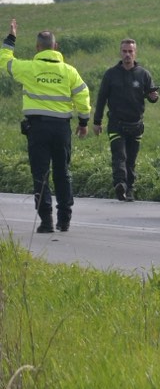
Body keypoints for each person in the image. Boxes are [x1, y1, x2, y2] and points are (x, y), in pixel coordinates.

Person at [1, 18, 91, 233]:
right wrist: (84, 122)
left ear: (37, 48)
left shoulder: (29, 68)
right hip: (62, 129)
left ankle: (47, 221)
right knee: (63, 173)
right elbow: (83, 95)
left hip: (38, 129)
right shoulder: (69, 71)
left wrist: (11, 37)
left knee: (40, 174)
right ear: (56, 47)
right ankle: (65, 219)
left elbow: (4, 61)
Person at [93, 38, 160, 201]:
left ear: (135, 53)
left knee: (131, 159)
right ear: (120, 52)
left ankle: (129, 188)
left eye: (130, 51)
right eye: (124, 51)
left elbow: (151, 96)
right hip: (116, 123)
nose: (127, 54)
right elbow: (101, 98)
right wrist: (97, 121)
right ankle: (120, 184)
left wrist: (153, 97)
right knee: (119, 156)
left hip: (136, 124)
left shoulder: (143, 74)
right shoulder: (111, 74)